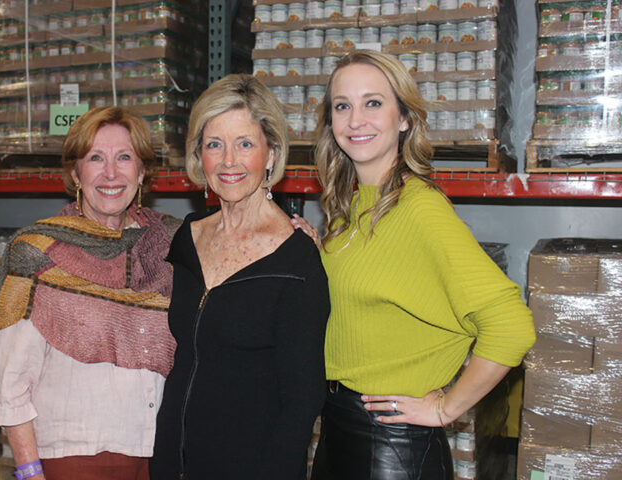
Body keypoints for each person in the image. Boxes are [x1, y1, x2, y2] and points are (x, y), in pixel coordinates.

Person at [305, 50, 536, 480]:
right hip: (337, 429)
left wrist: (446, 406)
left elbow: (511, 325)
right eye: (342, 106)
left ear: (405, 119)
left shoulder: (420, 210)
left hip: (391, 446)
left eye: (373, 103)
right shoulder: (346, 209)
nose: (356, 120)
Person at [150, 74, 329, 480]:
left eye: (244, 144)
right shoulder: (188, 236)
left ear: (271, 154)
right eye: (215, 145)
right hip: (170, 462)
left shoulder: (297, 260)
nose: (228, 161)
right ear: (200, 155)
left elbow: (302, 402)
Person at [0, 106, 180, 480]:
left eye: (124, 157)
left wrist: (291, 230)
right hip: (71, 459)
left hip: (155, 454)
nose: (111, 173)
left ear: (142, 172)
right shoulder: (38, 251)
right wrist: (29, 472)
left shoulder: (168, 247)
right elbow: (11, 380)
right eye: (96, 158)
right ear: (76, 173)